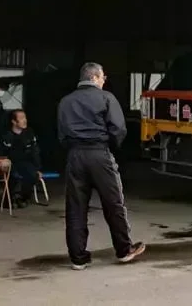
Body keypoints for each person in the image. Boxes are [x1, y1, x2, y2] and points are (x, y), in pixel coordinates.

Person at [57, 62, 144, 270]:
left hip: (75, 155)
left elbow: (61, 134)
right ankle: (123, 250)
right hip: (99, 154)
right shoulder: (106, 98)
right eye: (103, 76)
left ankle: (78, 258)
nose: (104, 80)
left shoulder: (65, 101)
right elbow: (118, 129)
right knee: (113, 203)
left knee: (76, 207)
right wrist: (110, 148)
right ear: (94, 77)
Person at [0, 109, 41, 207]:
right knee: (14, 174)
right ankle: (10, 198)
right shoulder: (6, 135)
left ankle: (23, 198)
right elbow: (2, 153)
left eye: (25, 117)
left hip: (25, 162)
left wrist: (38, 168)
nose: (24, 120)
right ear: (13, 121)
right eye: (21, 118)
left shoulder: (29, 133)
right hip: (10, 163)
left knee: (32, 174)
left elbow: (35, 152)